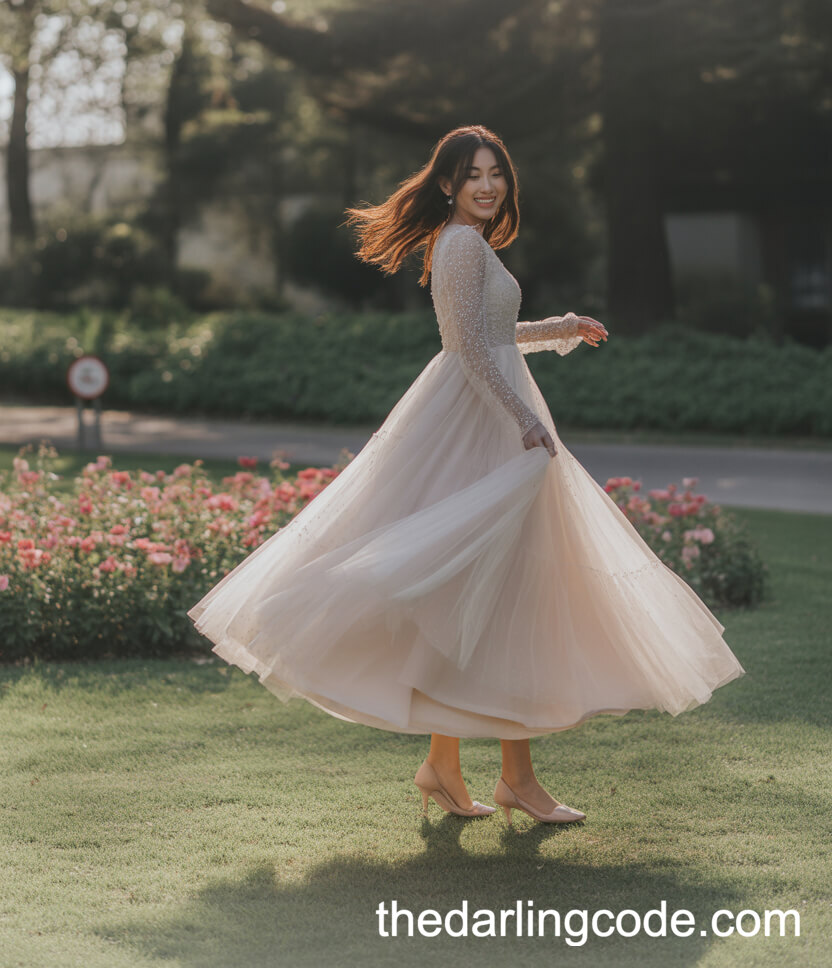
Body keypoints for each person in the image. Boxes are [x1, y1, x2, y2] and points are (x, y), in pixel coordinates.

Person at [187, 124, 744, 827]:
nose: (488, 185)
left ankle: (454, 770)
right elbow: (464, 349)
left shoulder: (471, 245)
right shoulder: (457, 244)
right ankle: (506, 778)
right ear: (448, 184)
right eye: (473, 174)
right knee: (493, 588)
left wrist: (562, 326)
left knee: (488, 594)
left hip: (493, 418)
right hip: (479, 427)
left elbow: (494, 338)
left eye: (497, 173)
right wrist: (523, 421)